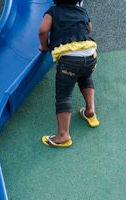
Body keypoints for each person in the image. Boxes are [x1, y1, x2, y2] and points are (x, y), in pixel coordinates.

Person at [38, 0, 99, 148]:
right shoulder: (82, 11)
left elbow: (43, 31)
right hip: (91, 55)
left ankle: (63, 135)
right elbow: (89, 29)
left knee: (63, 96)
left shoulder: (53, 12)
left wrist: (44, 46)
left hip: (70, 61)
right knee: (85, 76)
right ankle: (90, 111)